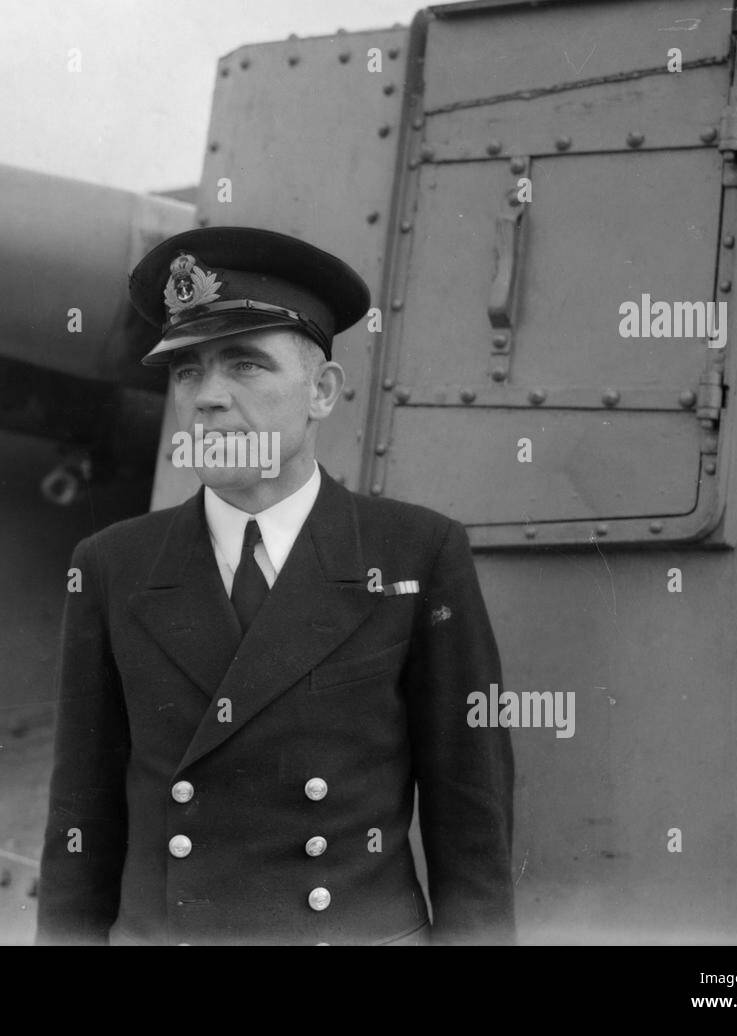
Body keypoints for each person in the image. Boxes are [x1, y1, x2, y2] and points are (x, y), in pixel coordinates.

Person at [36, 226, 514, 946]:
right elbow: (82, 823)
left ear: (322, 391)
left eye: (245, 366)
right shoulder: (111, 567)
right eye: (188, 372)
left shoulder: (416, 553)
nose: (208, 400)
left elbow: (471, 822)